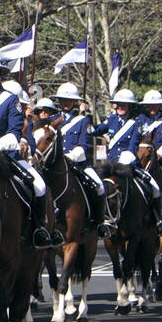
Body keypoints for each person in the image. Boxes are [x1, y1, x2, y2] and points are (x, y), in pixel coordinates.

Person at [0, 52, 59, 250]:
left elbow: (14, 131)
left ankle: (39, 229)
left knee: (39, 185)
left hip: (3, 156)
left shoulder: (9, 99)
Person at [99, 87, 162, 236]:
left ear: (130, 106)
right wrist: (84, 116)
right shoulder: (111, 120)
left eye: (124, 104)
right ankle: (97, 221)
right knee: (98, 187)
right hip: (111, 165)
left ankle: (158, 221)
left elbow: (134, 144)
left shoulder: (136, 123)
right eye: (117, 104)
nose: (120, 107)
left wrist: (128, 156)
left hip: (129, 163)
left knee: (154, 186)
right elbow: (94, 130)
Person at [52, 83, 112, 236]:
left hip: (77, 163)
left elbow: (83, 145)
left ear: (75, 102)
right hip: (55, 165)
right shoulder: (53, 120)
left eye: (69, 100)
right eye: (63, 100)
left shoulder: (83, 121)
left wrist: (70, 157)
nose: (66, 103)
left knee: (99, 186)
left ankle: (99, 222)